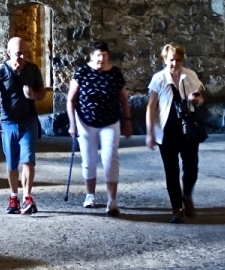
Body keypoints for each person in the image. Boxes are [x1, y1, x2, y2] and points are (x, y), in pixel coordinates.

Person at [66, 41, 132, 216]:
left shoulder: (115, 73)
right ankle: (90, 195)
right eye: (98, 55)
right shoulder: (82, 72)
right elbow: (71, 99)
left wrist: (127, 120)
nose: (101, 58)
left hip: (110, 122)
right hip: (86, 122)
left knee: (110, 158)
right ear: (91, 56)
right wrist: (72, 124)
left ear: (108, 56)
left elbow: (124, 98)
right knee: (89, 161)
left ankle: (112, 200)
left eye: (104, 55)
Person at [146, 43, 204, 221]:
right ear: (165, 59)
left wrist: (196, 100)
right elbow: (151, 106)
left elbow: (200, 99)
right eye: (171, 60)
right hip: (167, 131)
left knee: (191, 168)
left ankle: (187, 195)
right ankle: (176, 208)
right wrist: (150, 132)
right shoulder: (159, 79)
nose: (174, 63)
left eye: (178, 60)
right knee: (171, 171)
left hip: (188, 130)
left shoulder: (190, 76)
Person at [0, 36, 46, 214]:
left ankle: (27, 197)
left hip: (28, 121)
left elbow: (42, 94)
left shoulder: (33, 70)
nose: (22, 58)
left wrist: (33, 95)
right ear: (8, 53)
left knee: (28, 160)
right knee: (12, 163)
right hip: (8, 123)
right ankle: (14, 196)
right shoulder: (0, 71)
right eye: (18, 54)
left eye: (25, 54)